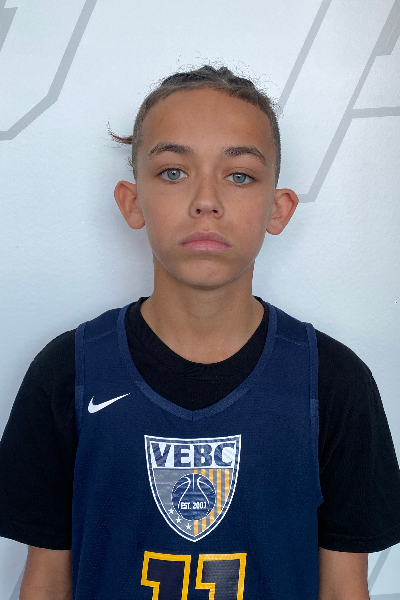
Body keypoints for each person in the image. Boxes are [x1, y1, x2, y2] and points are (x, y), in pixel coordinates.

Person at [0, 65, 399, 600]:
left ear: (278, 209)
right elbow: (45, 584)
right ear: (132, 201)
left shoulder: (333, 382)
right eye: (173, 172)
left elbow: (345, 590)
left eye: (240, 176)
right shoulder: (67, 373)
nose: (206, 200)